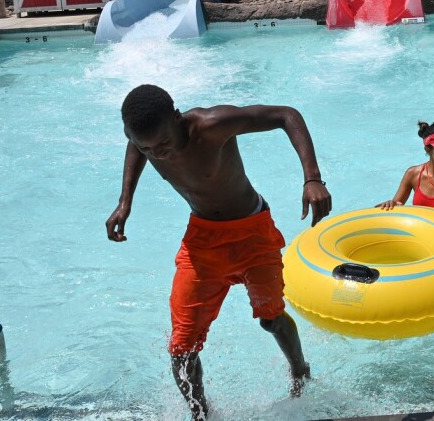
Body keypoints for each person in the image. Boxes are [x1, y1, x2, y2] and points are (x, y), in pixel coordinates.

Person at [107, 84, 331, 419]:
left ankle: (300, 371)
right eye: (148, 148)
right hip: (203, 242)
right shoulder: (145, 141)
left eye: (164, 143)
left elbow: (287, 115)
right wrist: (125, 202)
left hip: (252, 233)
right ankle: (202, 416)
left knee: (271, 320)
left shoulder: (214, 125)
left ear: (177, 118)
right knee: (181, 349)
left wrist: (312, 178)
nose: (160, 153)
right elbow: (136, 146)